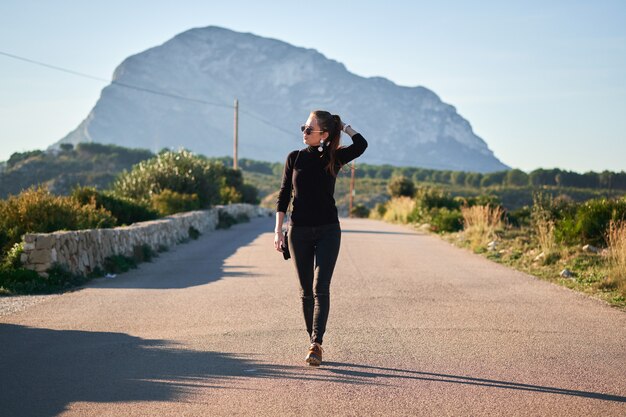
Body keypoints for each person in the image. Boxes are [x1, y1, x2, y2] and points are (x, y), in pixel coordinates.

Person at [274, 110, 368, 366]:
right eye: (302, 128)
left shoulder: (334, 157)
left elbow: (361, 145)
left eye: (308, 129)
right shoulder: (294, 158)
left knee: (320, 288)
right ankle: (311, 340)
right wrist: (278, 229)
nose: (304, 132)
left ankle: (316, 343)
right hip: (299, 231)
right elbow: (284, 195)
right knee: (306, 292)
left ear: (323, 134)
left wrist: (344, 126)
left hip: (328, 230)